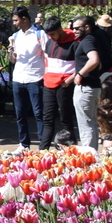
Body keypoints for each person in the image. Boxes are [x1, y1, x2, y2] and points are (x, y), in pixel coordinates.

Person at [8, 6, 47, 150]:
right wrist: (11, 53)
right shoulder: (16, 36)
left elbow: (47, 55)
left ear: (24, 19)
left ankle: (43, 145)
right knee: (20, 113)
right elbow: (13, 60)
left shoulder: (39, 34)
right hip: (19, 78)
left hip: (36, 78)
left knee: (38, 112)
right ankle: (24, 144)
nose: (14, 23)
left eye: (16, 20)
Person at [70, 15, 109, 151]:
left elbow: (94, 60)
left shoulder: (88, 41)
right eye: (73, 28)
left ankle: (89, 155)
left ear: (87, 27)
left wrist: (80, 74)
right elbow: (99, 64)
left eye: (77, 28)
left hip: (86, 88)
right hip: (92, 87)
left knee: (86, 125)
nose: (74, 31)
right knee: (90, 123)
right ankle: (92, 153)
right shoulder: (93, 39)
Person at [40, 15, 77, 147]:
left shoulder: (74, 43)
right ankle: (43, 149)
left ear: (60, 30)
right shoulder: (49, 42)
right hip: (49, 83)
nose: (51, 37)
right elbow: (47, 62)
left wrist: (69, 81)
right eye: (49, 35)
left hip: (65, 84)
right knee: (48, 118)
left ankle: (70, 149)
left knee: (66, 118)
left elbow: (81, 65)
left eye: (53, 34)